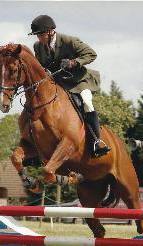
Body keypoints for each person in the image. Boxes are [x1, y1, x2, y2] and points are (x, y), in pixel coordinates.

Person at [28, 14, 111, 157]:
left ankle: (97, 141)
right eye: (37, 35)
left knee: (87, 102)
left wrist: (73, 63)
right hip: (58, 82)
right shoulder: (38, 46)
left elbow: (91, 54)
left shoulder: (69, 41)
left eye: (40, 34)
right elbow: (40, 67)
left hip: (78, 81)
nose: (39, 38)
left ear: (50, 31)